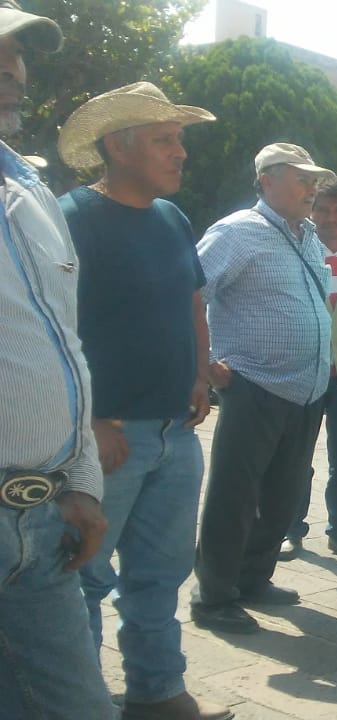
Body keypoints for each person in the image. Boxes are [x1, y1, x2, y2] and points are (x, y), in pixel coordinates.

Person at [57, 81, 231, 720]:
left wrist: (197, 375)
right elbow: (48, 327)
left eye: (179, 137)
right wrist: (90, 418)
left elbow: (192, 299)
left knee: (160, 577)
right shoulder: (71, 221)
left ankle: (158, 695)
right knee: (82, 583)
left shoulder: (171, 218)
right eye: (165, 139)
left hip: (174, 432)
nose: (180, 151)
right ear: (117, 145)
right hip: (106, 439)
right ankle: (79, 703)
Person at [0, 4, 116, 717]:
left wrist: (82, 480)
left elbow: (64, 348)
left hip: (40, 526)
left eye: (15, 57)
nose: (13, 71)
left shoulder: (32, 191)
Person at [192, 143, 335, 634]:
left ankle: (254, 578)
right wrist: (206, 364)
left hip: (307, 388)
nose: (311, 188)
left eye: (313, 178)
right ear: (267, 181)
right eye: (300, 178)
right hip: (254, 384)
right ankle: (213, 594)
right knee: (234, 495)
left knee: (283, 494)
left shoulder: (308, 235)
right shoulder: (237, 231)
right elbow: (190, 291)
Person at [282, 177, 337, 561]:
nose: (330, 218)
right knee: (297, 456)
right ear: (312, 210)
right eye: (322, 209)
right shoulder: (294, 251)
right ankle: (290, 528)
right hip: (304, 370)